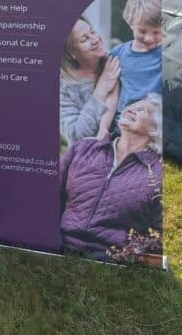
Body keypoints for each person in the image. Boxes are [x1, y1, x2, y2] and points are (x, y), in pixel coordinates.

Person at [59, 93, 163, 261]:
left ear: (154, 129)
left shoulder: (158, 172)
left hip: (110, 258)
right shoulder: (83, 149)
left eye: (142, 109)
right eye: (132, 105)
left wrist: (128, 255)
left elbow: (159, 233)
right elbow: (49, 197)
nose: (132, 109)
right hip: (60, 244)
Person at [59, 17, 121, 146]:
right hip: (92, 157)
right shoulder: (65, 87)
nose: (95, 40)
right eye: (84, 39)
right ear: (71, 53)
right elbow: (76, 137)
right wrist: (101, 90)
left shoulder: (116, 61)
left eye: (92, 32)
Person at [109, 0, 163, 120]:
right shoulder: (118, 53)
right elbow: (110, 91)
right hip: (122, 121)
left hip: (155, 123)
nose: (149, 38)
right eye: (142, 31)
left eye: (156, 32)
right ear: (130, 22)